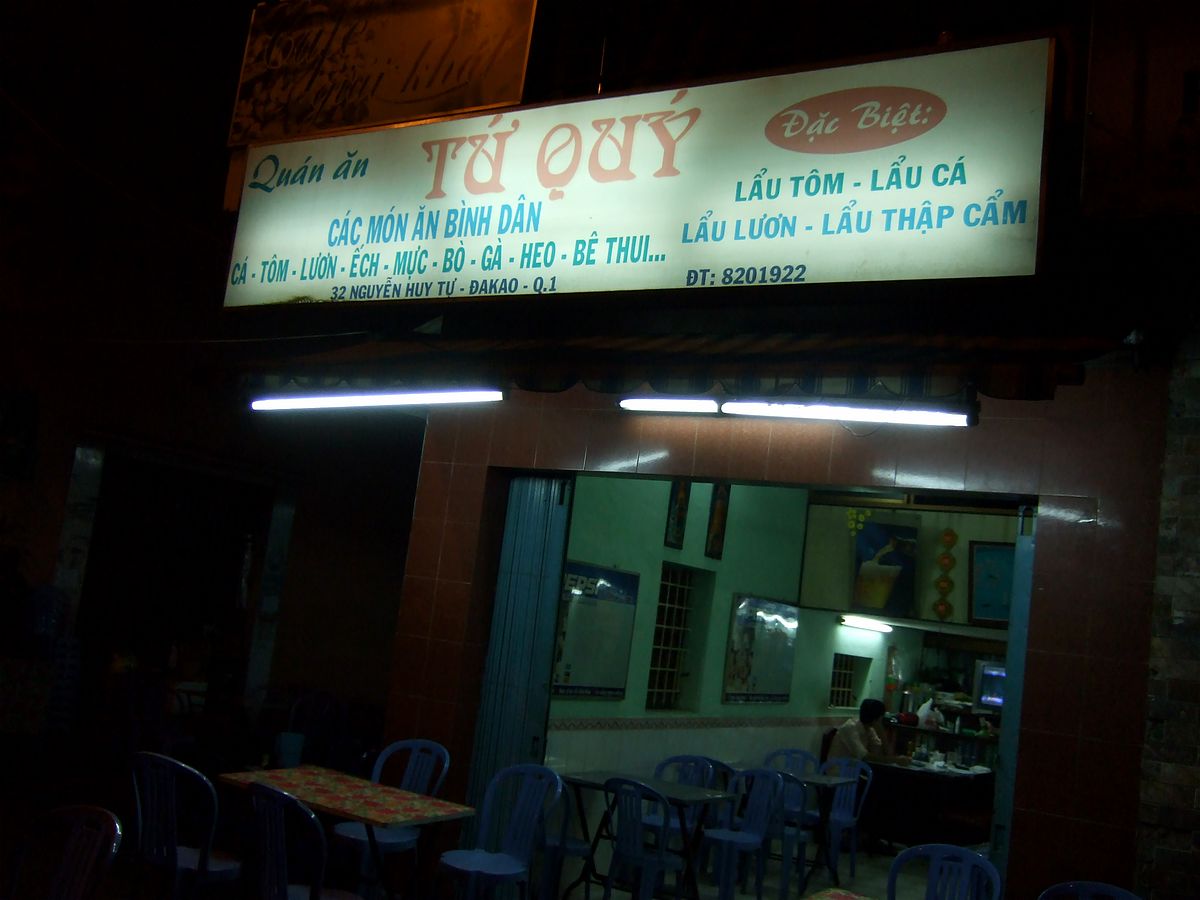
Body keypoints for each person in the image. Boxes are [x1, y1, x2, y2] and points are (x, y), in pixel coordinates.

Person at [828, 698, 911, 766]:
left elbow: (881, 753)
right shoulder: (850, 728)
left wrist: (882, 733)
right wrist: (896, 760)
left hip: (854, 771)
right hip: (837, 773)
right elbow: (865, 757)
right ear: (876, 718)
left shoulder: (869, 729)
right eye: (881, 717)